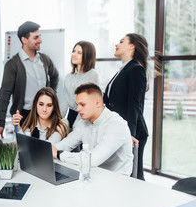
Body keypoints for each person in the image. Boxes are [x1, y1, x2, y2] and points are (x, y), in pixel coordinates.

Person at [52, 83, 133, 176]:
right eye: (77, 105)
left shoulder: (116, 124)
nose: (77, 109)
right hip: (93, 174)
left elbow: (93, 159)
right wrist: (48, 150)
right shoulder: (83, 122)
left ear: (97, 103)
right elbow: (66, 144)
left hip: (116, 180)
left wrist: (59, 154)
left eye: (82, 105)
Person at [0, 21, 59, 138]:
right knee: (26, 150)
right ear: (24, 40)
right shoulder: (12, 65)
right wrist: (0, 122)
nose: (40, 40)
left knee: (45, 148)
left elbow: (55, 76)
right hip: (24, 116)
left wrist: (51, 93)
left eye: (40, 36)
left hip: (44, 114)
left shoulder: (44, 60)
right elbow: (4, 94)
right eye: (36, 37)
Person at [103, 33, 149, 180]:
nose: (117, 44)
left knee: (134, 176)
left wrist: (130, 133)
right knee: (122, 175)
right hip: (120, 129)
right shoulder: (123, 70)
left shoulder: (136, 70)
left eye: (121, 41)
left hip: (132, 133)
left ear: (131, 46)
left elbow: (134, 105)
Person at [60, 41, 100, 128]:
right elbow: (65, 101)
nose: (74, 54)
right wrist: (57, 120)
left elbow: (89, 102)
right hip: (71, 115)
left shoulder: (93, 75)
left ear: (88, 55)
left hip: (85, 117)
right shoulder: (68, 77)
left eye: (79, 53)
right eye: (74, 51)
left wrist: (77, 124)